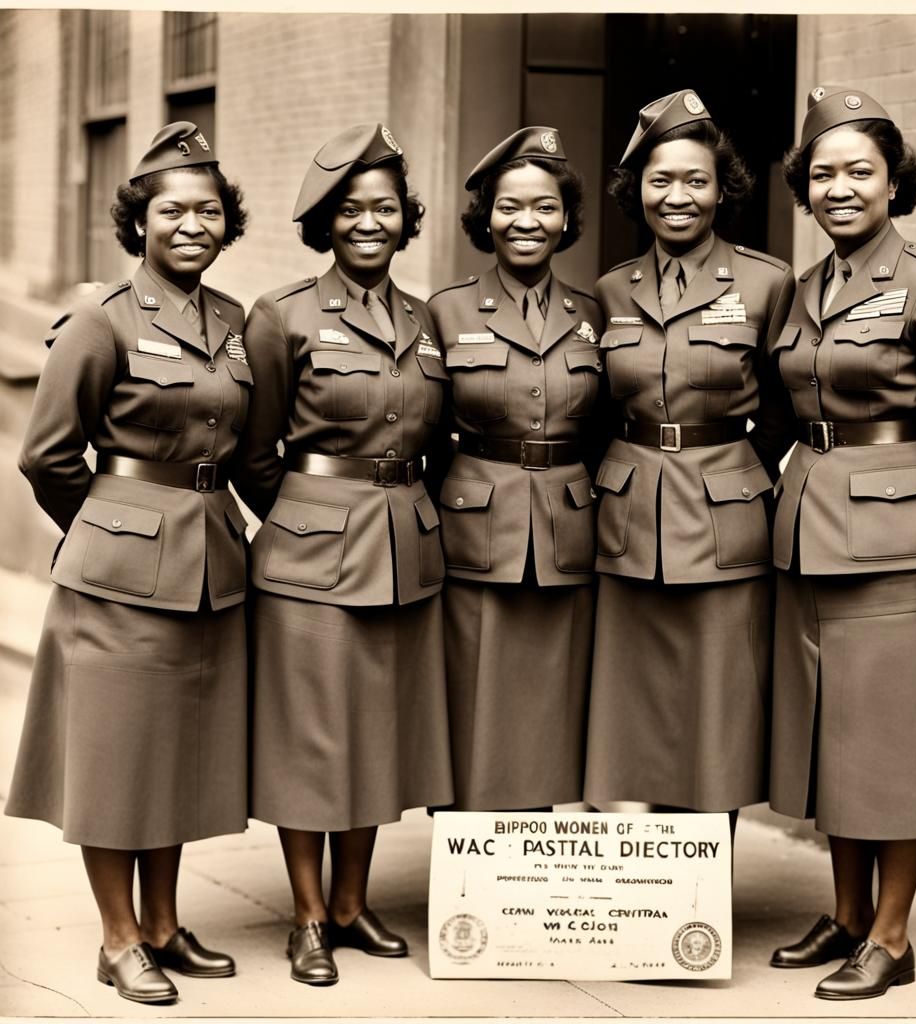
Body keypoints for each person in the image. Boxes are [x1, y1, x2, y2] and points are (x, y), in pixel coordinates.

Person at [7, 123, 250, 1004]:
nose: (193, 225)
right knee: (115, 761)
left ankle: (162, 923)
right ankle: (117, 940)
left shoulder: (232, 320)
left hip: (211, 568)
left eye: (209, 211)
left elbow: (242, 445)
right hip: (116, 580)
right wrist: (112, 528)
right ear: (138, 221)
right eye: (173, 210)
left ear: (228, 224)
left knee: (173, 753)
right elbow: (47, 456)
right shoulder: (101, 321)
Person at [766, 87, 916, 1000]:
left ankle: (893, 936)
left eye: (860, 171)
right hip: (809, 531)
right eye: (823, 175)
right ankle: (848, 913)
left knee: (897, 739)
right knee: (836, 732)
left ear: (894, 183)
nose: (840, 189)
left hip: (894, 541)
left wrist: (896, 492)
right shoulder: (807, 288)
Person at [235, 124, 453, 986]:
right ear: (325, 222)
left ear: (407, 221)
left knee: (373, 729)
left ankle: (355, 903)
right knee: (311, 739)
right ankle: (309, 914)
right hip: (310, 556)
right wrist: (303, 523)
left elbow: (436, 439)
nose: (369, 222)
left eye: (385, 208)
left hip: (404, 547)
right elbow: (257, 454)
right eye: (351, 209)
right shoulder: (282, 315)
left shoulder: (424, 318)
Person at [582, 91, 794, 825]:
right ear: (635, 189)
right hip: (628, 516)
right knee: (629, 703)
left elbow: (785, 406)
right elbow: (597, 410)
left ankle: (701, 903)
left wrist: (734, 472)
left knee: (716, 712)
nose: (678, 197)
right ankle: (640, 890)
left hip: (723, 518)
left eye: (696, 180)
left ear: (722, 187)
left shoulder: (767, 283)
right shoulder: (611, 291)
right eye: (660, 180)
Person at [428, 127, 604, 811]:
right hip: (477, 527)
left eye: (544, 206)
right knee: (474, 698)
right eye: (509, 206)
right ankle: (469, 872)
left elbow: (605, 428)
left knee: (551, 703)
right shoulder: (445, 310)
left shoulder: (590, 313)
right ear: (486, 216)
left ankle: (535, 866)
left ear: (565, 220)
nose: (526, 221)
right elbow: (421, 425)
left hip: (566, 532)